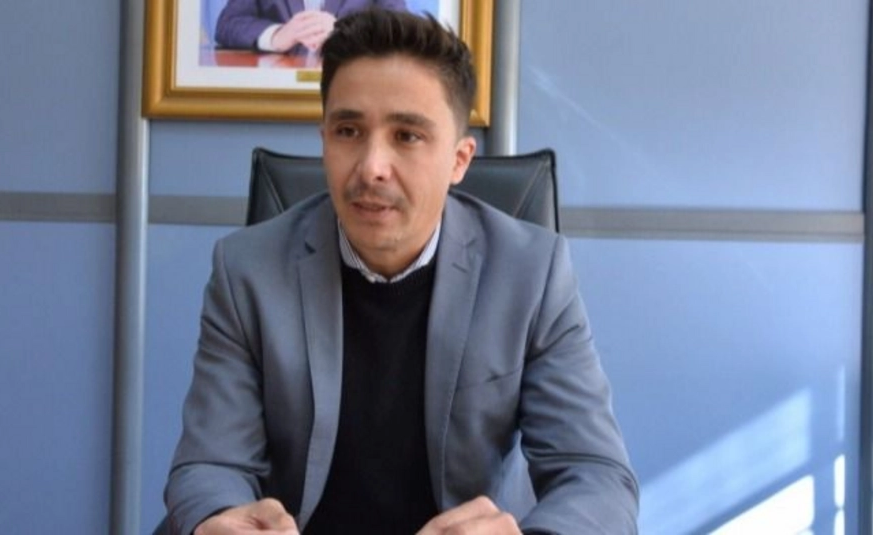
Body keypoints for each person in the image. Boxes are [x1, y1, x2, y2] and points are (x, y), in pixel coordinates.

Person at [165, 8, 639, 535]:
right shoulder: (246, 270)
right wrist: (217, 519)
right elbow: (210, 463)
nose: (371, 166)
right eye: (348, 130)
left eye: (407, 135)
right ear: (324, 140)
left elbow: (597, 475)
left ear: (459, 160)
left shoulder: (532, 273)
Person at [215, 0, 407, 54]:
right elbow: (228, 23)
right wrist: (276, 36)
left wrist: (343, 31)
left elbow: (400, 26)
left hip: (353, 87)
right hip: (278, 95)